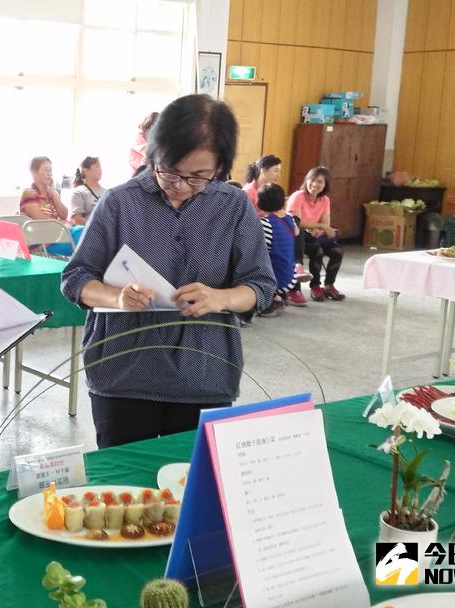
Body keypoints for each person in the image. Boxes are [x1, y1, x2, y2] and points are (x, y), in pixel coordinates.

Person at [61, 94, 276, 448]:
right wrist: (117, 297)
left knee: (190, 475)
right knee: (126, 475)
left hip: (204, 374)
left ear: (219, 166)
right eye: (170, 171)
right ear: (153, 154)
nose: (181, 186)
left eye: (199, 176)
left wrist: (220, 297)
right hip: (123, 373)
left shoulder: (233, 206)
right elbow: (76, 278)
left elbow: (261, 286)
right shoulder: (119, 203)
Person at [286, 166, 345, 302]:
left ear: (325, 185)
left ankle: (329, 285)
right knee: (317, 250)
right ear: (307, 180)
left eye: (320, 182)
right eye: (312, 180)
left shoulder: (325, 200)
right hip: (298, 238)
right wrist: (319, 226)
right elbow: (296, 223)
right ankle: (315, 286)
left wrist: (318, 228)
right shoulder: (298, 196)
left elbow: (326, 224)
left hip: (314, 235)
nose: (315, 184)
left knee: (337, 251)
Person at [256, 184, 299, 318]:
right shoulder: (289, 218)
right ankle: (279, 295)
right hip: (291, 276)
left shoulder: (265, 223)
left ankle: (274, 298)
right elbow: (296, 232)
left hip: (277, 279)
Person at [19, 157, 68, 222]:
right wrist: (60, 223)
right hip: (40, 228)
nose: (49, 173)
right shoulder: (28, 193)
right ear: (34, 173)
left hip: (55, 227)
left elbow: (64, 215)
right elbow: (39, 218)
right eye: (46, 170)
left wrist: (53, 194)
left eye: (50, 170)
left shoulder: (53, 193)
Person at [69, 156, 104, 226]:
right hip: (89, 231)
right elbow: (76, 219)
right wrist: (98, 227)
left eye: (100, 166)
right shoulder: (79, 192)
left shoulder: (107, 192)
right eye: (97, 166)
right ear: (86, 171)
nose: (100, 169)